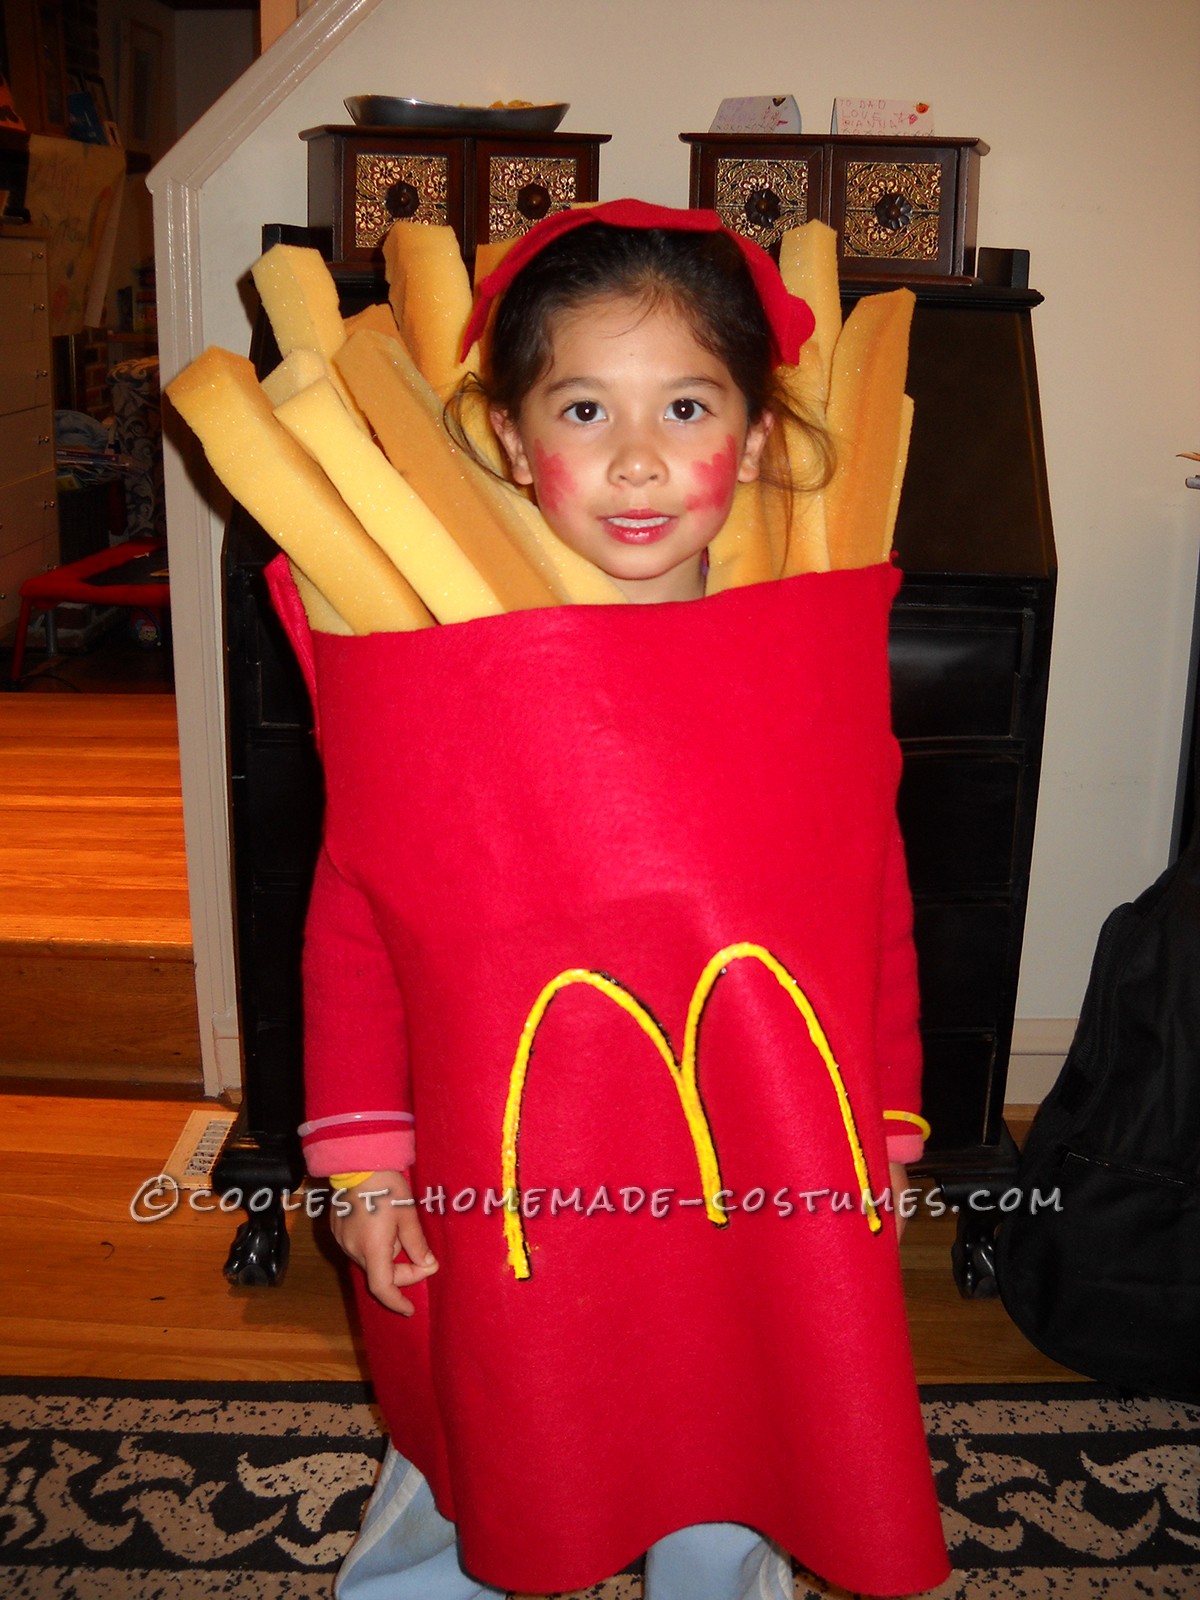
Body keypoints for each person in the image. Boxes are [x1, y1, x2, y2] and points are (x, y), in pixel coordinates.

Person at [280, 200, 950, 1600]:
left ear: (756, 438)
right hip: (519, 1164)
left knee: (741, 1414)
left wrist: (884, 1116)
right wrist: (365, 1164)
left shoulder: (811, 653)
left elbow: (869, 901)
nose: (639, 458)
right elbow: (358, 919)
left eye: (688, 404)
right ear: (515, 441)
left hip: (766, 1157)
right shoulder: (435, 665)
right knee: (515, 1430)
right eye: (585, 407)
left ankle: (724, 1558)